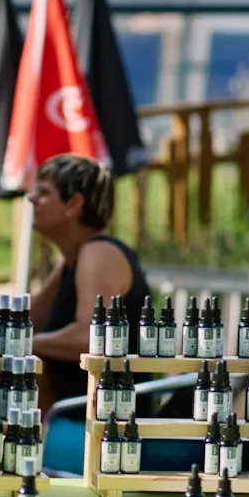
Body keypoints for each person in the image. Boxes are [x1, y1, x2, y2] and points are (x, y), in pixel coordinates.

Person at [27, 154, 153, 412]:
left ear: (73, 204)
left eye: (43, 192)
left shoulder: (99, 253)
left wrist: (23, 342)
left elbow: (90, 338)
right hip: (74, 412)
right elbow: (29, 318)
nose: (31, 198)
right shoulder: (72, 259)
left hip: (108, 427)